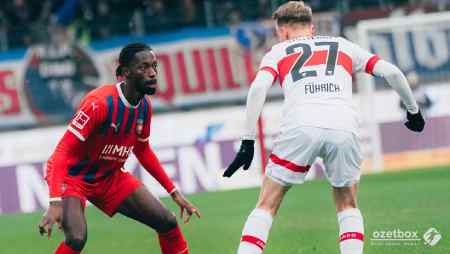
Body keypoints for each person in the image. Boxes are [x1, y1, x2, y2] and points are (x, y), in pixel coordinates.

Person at [223, 2, 425, 254]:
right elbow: (393, 72)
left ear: (283, 30)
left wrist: (248, 140)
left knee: (267, 204)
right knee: (347, 204)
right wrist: (413, 110)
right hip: (343, 127)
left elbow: (258, 88)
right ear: (312, 27)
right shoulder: (343, 45)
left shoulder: (278, 51)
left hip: (300, 127)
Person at [38, 43, 201, 254]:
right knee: (77, 238)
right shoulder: (99, 103)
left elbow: (142, 150)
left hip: (109, 177)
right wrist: (54, 201)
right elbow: (61, 152)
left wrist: (174, 192)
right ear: (126, 73)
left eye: (154, 66)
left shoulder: (144, 107)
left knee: (167, 222)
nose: (152, 73)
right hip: (73, 178)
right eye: (143, 67)